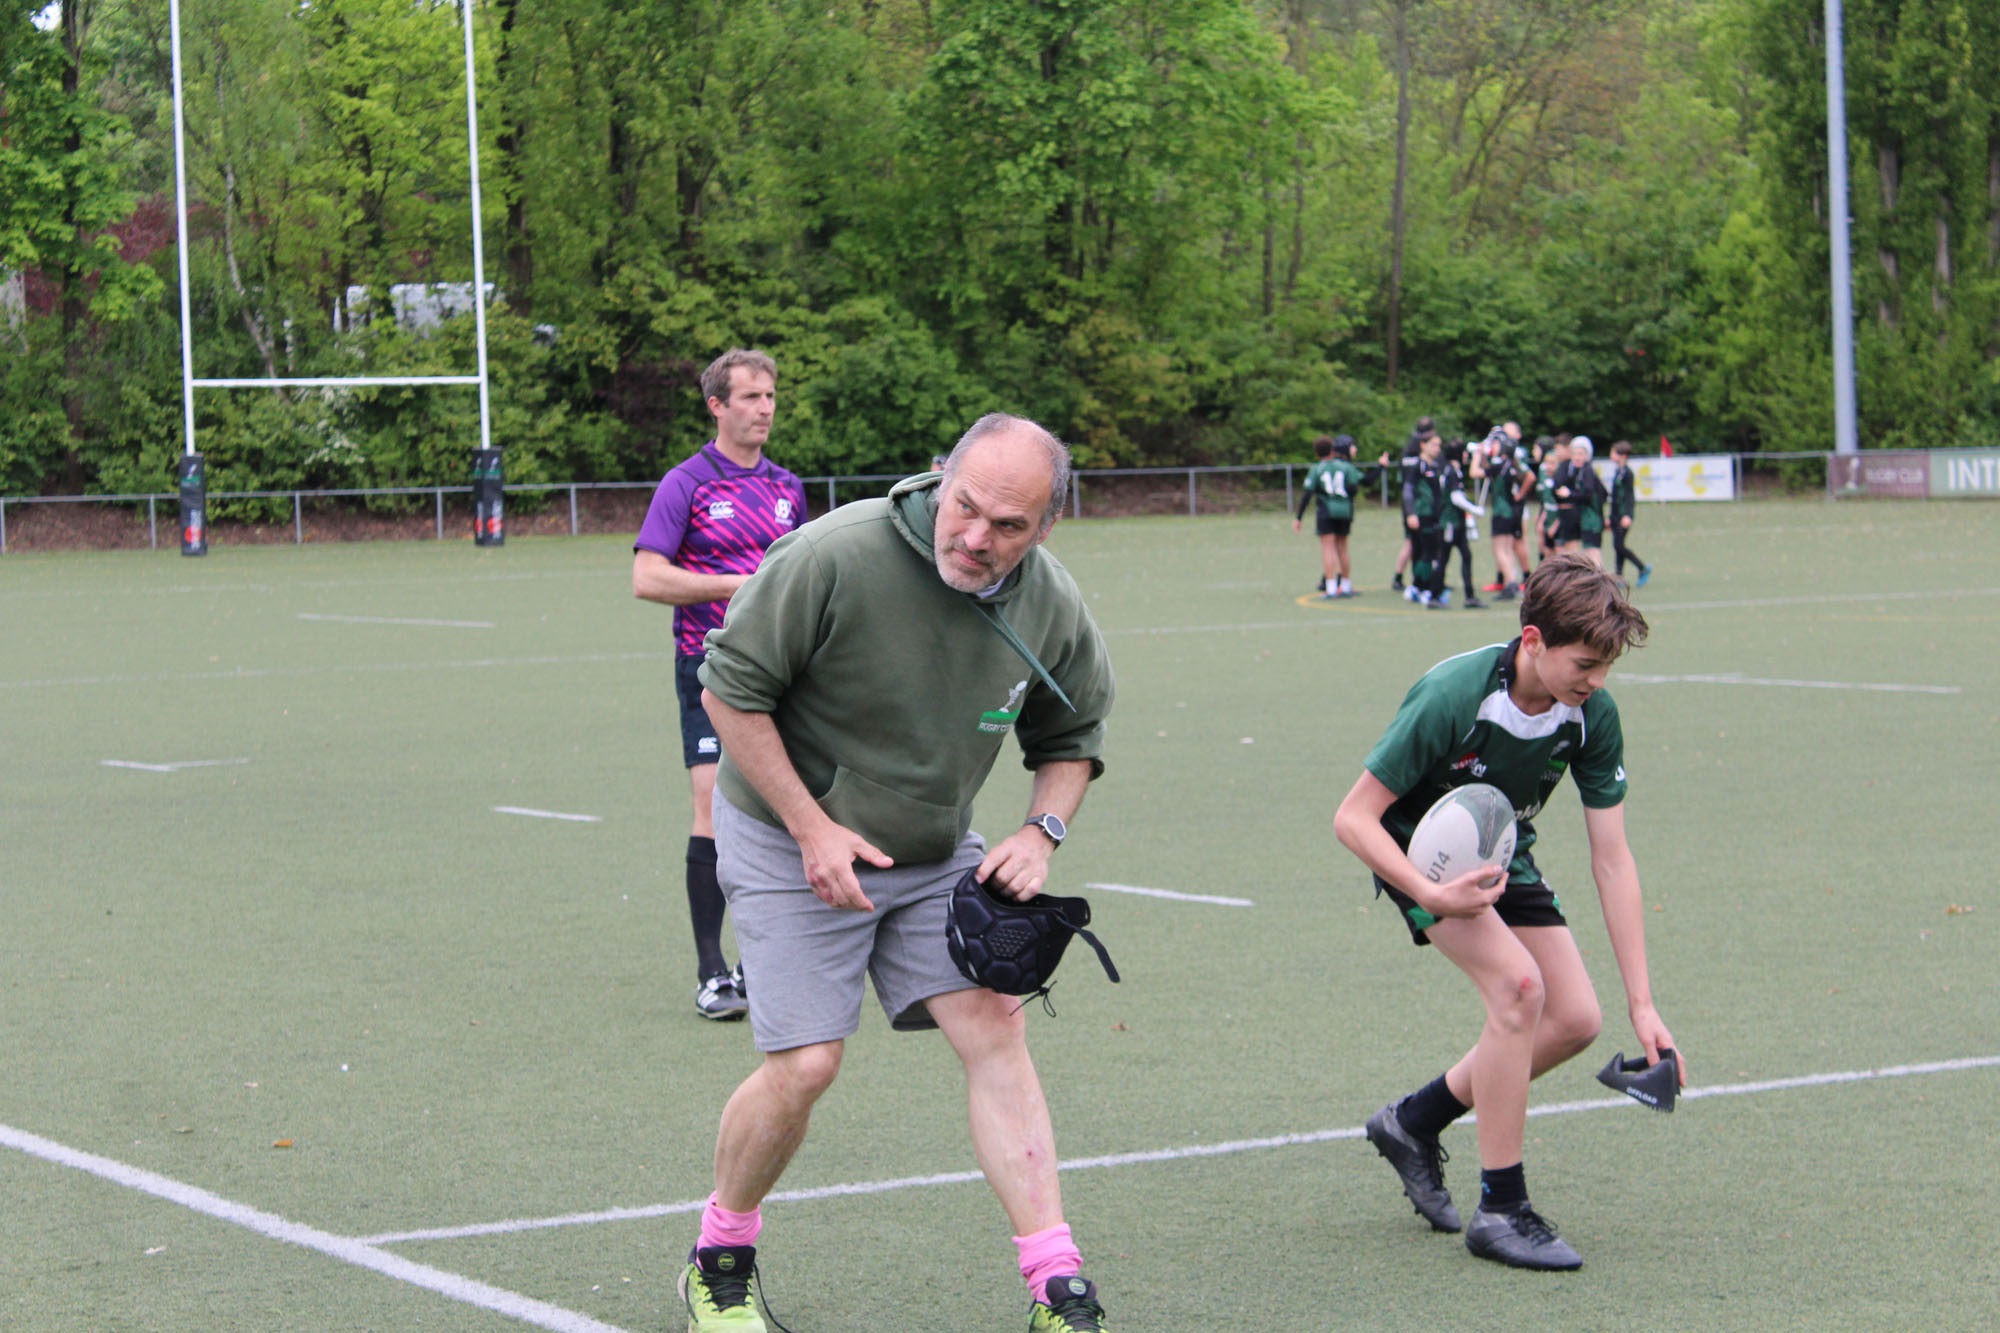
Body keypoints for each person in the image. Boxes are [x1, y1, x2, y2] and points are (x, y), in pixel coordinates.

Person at [680, 414, 1118, 1333]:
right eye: (966, 506)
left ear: (1047, 525)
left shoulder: (1050, 600)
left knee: (995, 1028)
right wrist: (812, 828)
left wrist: (1040, 831)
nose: (977, 537)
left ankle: (1057, 1284)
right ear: (940, 475)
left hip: (930, 844)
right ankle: (719, 1258)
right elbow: (728, 690)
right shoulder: (833, 554)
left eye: (1009, 525)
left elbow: (1072, 737)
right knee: (806, 1064)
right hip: (787, 832)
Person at [1332, 554, 1682, 1271]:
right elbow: (1353, 817)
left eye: (1606, 667)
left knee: (1575, 1019)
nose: (1596, 681)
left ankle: (1414, 1121)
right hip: (1418, 854)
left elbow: (1613, 859)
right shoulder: (1453, 694)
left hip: (1499, 850)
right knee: (1518, 989)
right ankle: (1502, 1208)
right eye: (1585, 663)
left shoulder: (1591, 716)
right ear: (1532, 640)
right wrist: (1428, 893)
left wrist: (1642, 1005)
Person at [633, 349, 808, 1022]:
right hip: (709, 665)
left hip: (785, 669)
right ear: (717, 405)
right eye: (751, 397)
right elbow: (648, 577)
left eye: (771, 396)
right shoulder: (686, 483)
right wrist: (736, 584)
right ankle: (712, 973)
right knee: (711, 806)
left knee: (787, 808)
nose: (765, 408)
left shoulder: (788, 487)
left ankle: (756, 964)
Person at [1294, 433, 1388, 598]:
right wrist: (1381, 466)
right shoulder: (1346, 467)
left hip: (1326, 511)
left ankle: (1331, 587)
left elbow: (1308, 494)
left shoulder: (1317, 468)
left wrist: (1299, 517)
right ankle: (1345, 585)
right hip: (1345, 511)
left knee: (1328, 549)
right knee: (1343, 549)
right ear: (1332, 450)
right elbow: (1362, 482)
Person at [1401, 433, 1450, 608]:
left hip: (1435, 516)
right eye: (1433, 445)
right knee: (1427, 553)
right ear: (1423, 445)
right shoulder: (1418, 466)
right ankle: (1422, 587)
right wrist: (1411, 513)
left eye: (1439, 445)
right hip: (1423, 515)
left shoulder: (1435, 466)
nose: (1437, 449)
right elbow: (1408, 490)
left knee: (1427, 552)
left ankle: (1419, 586)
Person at [1607, 441, 1652, 587]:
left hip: (1623, 516)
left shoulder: (1628, 473)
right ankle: (1619, 577)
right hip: (1615, 516)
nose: (1611, 455)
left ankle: (1642, 568)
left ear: (1623, 456)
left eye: (1614, 452)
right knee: (1618, 546)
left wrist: (1628, 515)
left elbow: (1629, 496)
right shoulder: (1618, 471)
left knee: (1619, 546)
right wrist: (1610, 517)